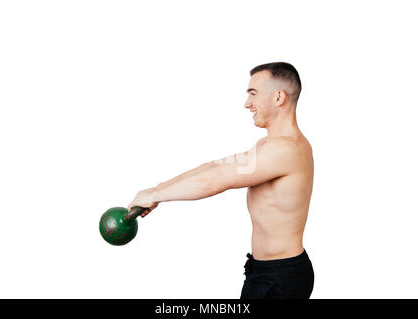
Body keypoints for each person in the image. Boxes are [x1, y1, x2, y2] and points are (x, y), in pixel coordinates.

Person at [128, 62, 314, 299]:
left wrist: (155, 196)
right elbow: (214, 167)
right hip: (264, 271)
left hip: (281, 278)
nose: (247, 104)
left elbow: (215, 181)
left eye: (253, 94)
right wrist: (155, 191)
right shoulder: (267, 146)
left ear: (278, 97)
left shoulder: (287, 150)